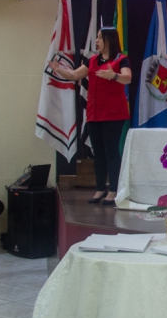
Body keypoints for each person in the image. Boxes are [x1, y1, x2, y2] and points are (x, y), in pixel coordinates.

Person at [51, 27, 132, 206]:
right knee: (98, 152)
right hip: (94, 114)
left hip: (113, 115)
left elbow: (127, 78)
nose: (96, 41)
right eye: (96, 37)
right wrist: (58, 70)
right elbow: (74, 75)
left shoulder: (121, 59)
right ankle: (100, 188)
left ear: (109, 40)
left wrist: (114, 75)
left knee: (111, 152)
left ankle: (113, 189)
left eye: (99, 38)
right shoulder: (93, 60)